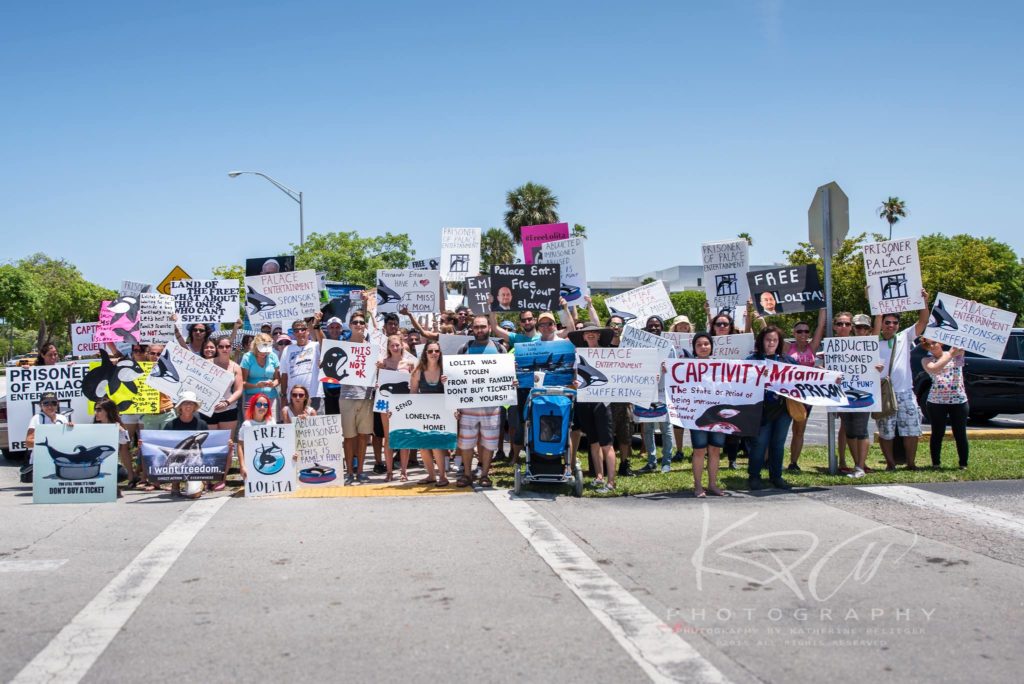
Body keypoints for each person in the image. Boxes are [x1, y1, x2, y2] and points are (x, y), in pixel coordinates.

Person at [876, 291, 931, 470]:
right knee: (886, 431)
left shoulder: (904, 337)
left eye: (895, 323)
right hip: (884, 393)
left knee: (911, 430)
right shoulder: (873, 341)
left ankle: (911, 463)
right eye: (887, 322)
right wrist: (875, 303)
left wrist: (924, 301)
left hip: (905, 392)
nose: (891, 325)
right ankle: (890, 464)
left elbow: (922, 322)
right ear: (882, 324)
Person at [455, 316, 504, 488]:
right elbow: (457, 375)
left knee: (489, 442)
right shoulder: (464, 348)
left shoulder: (499, 348)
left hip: (491, 406)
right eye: (476, 327)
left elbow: (505, 373)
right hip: (468, 405)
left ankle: (484, 474)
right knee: (466, 442)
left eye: (483, 327)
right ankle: (467, 474)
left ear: (489, 327)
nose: (479, 330)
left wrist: (510, 382)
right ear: (472, 329)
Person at [569, 323, 616, 492]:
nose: (590, 335)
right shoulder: (577, 355)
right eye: (586, 333)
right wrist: (575, 384)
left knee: (606, 443)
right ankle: (599, 476)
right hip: (584, 401)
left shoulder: (608, 353)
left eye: (594, 332)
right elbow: (576, 379)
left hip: (602, 403)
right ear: (582, 336)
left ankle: (611, 482)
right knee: (593, 442)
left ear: (599, 335)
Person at [746, 326, 794, 491]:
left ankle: (776, 476)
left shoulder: (787, 360)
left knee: (778, 444)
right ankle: (754, 476)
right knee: (759, 443)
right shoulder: (751, 360)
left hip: (783, 410)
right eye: (768, 340)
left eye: (775, 340)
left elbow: (806, 377)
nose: (771, 343)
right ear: (761, 341)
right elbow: (741, 381)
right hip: (761, 410)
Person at [785, 310, 827, 472]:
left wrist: (822, 308)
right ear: (793, 333)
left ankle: (793, 462)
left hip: (806, 395)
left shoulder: (812, 347)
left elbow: (821, 326)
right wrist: (761, 321)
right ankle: (770, 461)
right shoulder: (788, 347)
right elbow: (771, 337)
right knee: (780, 429)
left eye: (806, 331)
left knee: (799, 430)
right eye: (799, 331)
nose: (803, 334)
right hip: (788, 394)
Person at [921, 339, 969, 469]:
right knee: (937, 432)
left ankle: (963, 463)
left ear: (941, 343)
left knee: (960, 432)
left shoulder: (955, 354)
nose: (932, 346)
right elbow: (934, 369)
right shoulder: (926, 360)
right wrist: (950, 354)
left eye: (934, 342)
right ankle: (936, 463)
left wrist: (955, 348)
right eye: (928, 345)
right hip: (936, 401)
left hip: (958, 400)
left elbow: (962, 347)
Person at [637, 316, 675, 474]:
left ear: (662, 327)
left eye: (657, 325)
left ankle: (666, 461)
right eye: (650, 326)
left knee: (666, 428)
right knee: (647, 429)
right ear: (646, 328)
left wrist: (668, 369)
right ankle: (651, 462)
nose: (653, 328)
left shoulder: (669, 347)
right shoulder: (639, 346)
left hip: (663, 393)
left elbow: (676, 370)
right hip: (645, 392)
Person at [340, 312, 375, 484]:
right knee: (348, 437)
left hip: (367, 397)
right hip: (347, 396)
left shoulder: (372, 347)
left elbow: (379, 369)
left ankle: (360, 471)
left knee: (363, 436)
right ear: (350, 325)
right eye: (355, 322)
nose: (358, 324)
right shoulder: (342, 346)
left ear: (365, 325)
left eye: (362, 322)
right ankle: (349, 472)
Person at [689, 333, 726, 497]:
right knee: (699, 450)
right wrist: (666, 369)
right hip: (697, 416)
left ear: (711, 346)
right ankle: (697, 485)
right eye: (699, 344)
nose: (703, 347)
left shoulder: (722, 366)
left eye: (706, 344)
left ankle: (712, 484)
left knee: (715, 450)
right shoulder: (685, 367)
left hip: (718, 415)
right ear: (694, 348)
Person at [410, 340, 450, 487]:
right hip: (423, 411)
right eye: (430, 351)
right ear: (425, 354)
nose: (434, 354)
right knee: (423, 445)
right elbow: (413, 393)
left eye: (436, 351)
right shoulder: (417, 371)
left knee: (436, 444)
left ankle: (442, 476)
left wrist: (448, 383)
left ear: (440, 353)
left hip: (441, 413)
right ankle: (431, 475)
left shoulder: (446, 370)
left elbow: (454, 392)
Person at [377, 334, 416, 481]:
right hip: (385, 404)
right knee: (388, 439)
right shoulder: (382, 363)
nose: (395, 348)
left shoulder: (409, 363)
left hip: (404, 404)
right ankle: (389, 471)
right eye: (392, 345)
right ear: (388, 347)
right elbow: (376, 381)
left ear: (402, 345)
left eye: (397, 345)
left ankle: (404, 471)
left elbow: (414, 383)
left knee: (403, 437)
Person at [605, 314, 636, 478]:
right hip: (606, 397)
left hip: (624, 397)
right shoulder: (603, 346)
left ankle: (625, 464)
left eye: (619, 325)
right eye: (613, 324)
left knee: (625, 432)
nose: (616, 327)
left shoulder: (628, 346)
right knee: (607, 433)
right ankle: (607, 465)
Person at [164, 391, 209, 499]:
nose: (188, 405)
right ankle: (175, 485)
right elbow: (163, 441)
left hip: (193, 464)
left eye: (191, 403)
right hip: (176, 461)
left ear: (195, 407)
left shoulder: (202, 424)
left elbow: (207, 446)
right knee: (175, 464)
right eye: (185, 403)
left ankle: (198, 483)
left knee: (194, 494)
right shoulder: (171, 425)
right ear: (180, 406)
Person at [279, 315, 322, 412]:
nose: (300, 332)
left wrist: (317, 325)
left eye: (303, 329)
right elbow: (284, 374)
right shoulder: (287, 349)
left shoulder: (316, 346)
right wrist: (283, 396)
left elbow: (325, 343)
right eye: (296, 330)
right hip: (294, 397)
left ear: (307, 331)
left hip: (314, 395)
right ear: (293, 333)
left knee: (315, 426)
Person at [93, 398, 133, 497]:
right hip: (94, 462)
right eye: (95, 409)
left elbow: (124, 441)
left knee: (122, 474)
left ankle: (112, 486)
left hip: (111, 463)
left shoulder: (117, 427)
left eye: (99, 410)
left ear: (108, 411)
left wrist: (121, 430)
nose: (96, 412)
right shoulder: (92, 427)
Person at [240, 333, 281, 417]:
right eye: (261, 350)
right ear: (255, 347)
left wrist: (273, 384)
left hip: (271, 397)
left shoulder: (273, 356)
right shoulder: (247, 357)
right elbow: (242, 382)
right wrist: (256, 385)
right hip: (251, 398)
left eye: (266, 351)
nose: (264, 353)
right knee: (251, 426)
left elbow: (278, 379)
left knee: (272, 425)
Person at [238, 394, 274, 483]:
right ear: (253, 406)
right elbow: (239, 446)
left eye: (266, 405)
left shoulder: (271, 422)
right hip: (252, 464)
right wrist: (242, 466)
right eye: (259, 404)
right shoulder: (246, 425)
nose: (262, 407)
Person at [316, 316, 345, 415]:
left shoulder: (348, 342)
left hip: (344, 388)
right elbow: (317, 334)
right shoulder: (323, 343)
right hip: (327, 388)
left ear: (341, 329)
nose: (335, 330)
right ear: (327, 329)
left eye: (337, 327)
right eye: (332, 327)